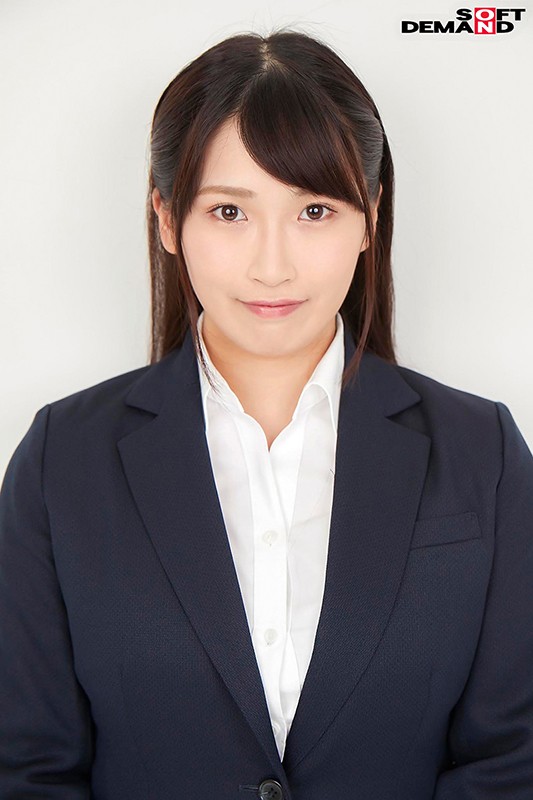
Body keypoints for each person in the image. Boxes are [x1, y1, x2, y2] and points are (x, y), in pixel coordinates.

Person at [1, 27, 532, 800]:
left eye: (314, 210)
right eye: (228, 211)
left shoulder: (482, 453)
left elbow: (514, 759)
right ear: (166, 218)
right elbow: (27, 768)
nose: (272, 265)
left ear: (370, 217)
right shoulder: (63, 460)